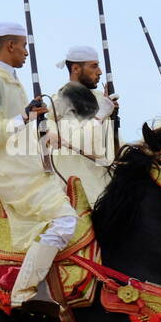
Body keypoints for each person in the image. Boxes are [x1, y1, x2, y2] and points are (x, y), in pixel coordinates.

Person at [0, 21, 78, 311]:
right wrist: (25, 119)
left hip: (25, 163)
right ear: (10, 46)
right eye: (24, 45)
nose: (26, 52)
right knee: (65, 221)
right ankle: (23, 294)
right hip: (9, 170)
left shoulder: (8, 80)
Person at [48, 45, 120, 204]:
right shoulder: (63, 98)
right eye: (94, 66)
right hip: (81, 191)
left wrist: (113, 117)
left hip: (105, 185)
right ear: (75, 68)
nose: (100, 71)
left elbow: (112, 148)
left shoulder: (100, 97)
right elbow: (76, 142)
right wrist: (101, 115)